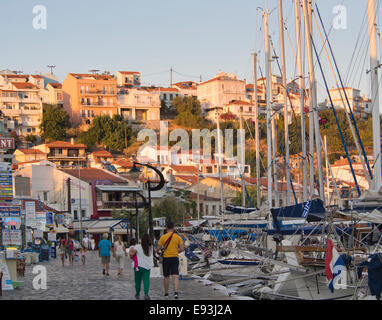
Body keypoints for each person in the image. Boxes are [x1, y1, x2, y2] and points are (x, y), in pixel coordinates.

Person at [155, 221, 184, 299]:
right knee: (175, 276)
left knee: (166, 276)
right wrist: (175, 251)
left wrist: (158, 252)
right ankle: (176, 293)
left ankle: (166, 293)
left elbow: (157, 249)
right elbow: (182, 248)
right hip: (174, 257)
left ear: (167, 228)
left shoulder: (163, 237)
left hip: (166, 258)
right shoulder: (178, 237)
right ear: (173, 228)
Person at [129, 233, 154, 300]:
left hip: (138, 266)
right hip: (147, 266)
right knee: (146, 281)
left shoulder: (137, 246)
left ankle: (137, 293)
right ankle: (146, 294)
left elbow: (131, 253)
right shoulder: (151, 247)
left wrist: (131, 252)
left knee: (137, 281)